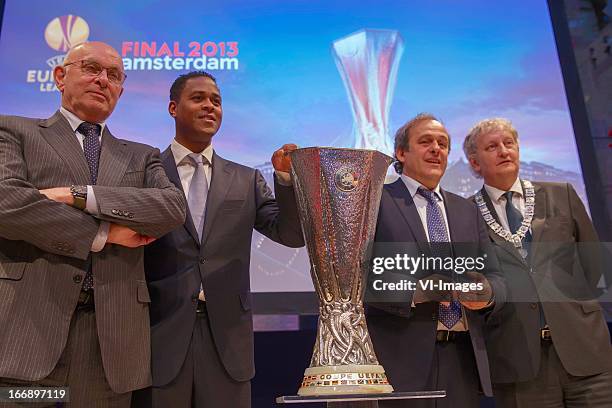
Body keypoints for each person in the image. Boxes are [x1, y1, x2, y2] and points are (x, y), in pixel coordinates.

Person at [0, 41, 186, 407]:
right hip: (28, 329)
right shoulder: (14, 131)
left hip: (110, 343)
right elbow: (7, 202)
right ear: (60, 76)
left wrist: (77, 194)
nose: (103, 80)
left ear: (121, 89)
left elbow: (170, 208)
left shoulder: (142, 154)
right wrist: (103, 233)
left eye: (114, 76)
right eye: (91, 68)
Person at [133, 71, 304, 408]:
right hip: (158, 335)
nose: (210, 106)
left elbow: (290, 234)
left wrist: (285, 180)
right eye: (198, 98)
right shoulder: (143, 170)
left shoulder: (246, 178)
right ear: (173, 107)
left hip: (227, 342)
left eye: (217, 101)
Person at [463, 117, 612, 408]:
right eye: (492, 146)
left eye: (509, 143)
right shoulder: (465, 213)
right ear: (475, 163)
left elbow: (596, 266)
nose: (504, 151)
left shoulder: (562, 194)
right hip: (519, 364)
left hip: (586, 352)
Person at [365, 113, 505, 408]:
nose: (436, 149)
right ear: (401, 153)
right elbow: (358, 276)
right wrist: (417, 292)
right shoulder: (375, 201)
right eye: (426, 141)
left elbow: (496, 276)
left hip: (463, 361)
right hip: (400, 362)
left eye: (443, 143)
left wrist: (487, 293)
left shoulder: (466, 210)